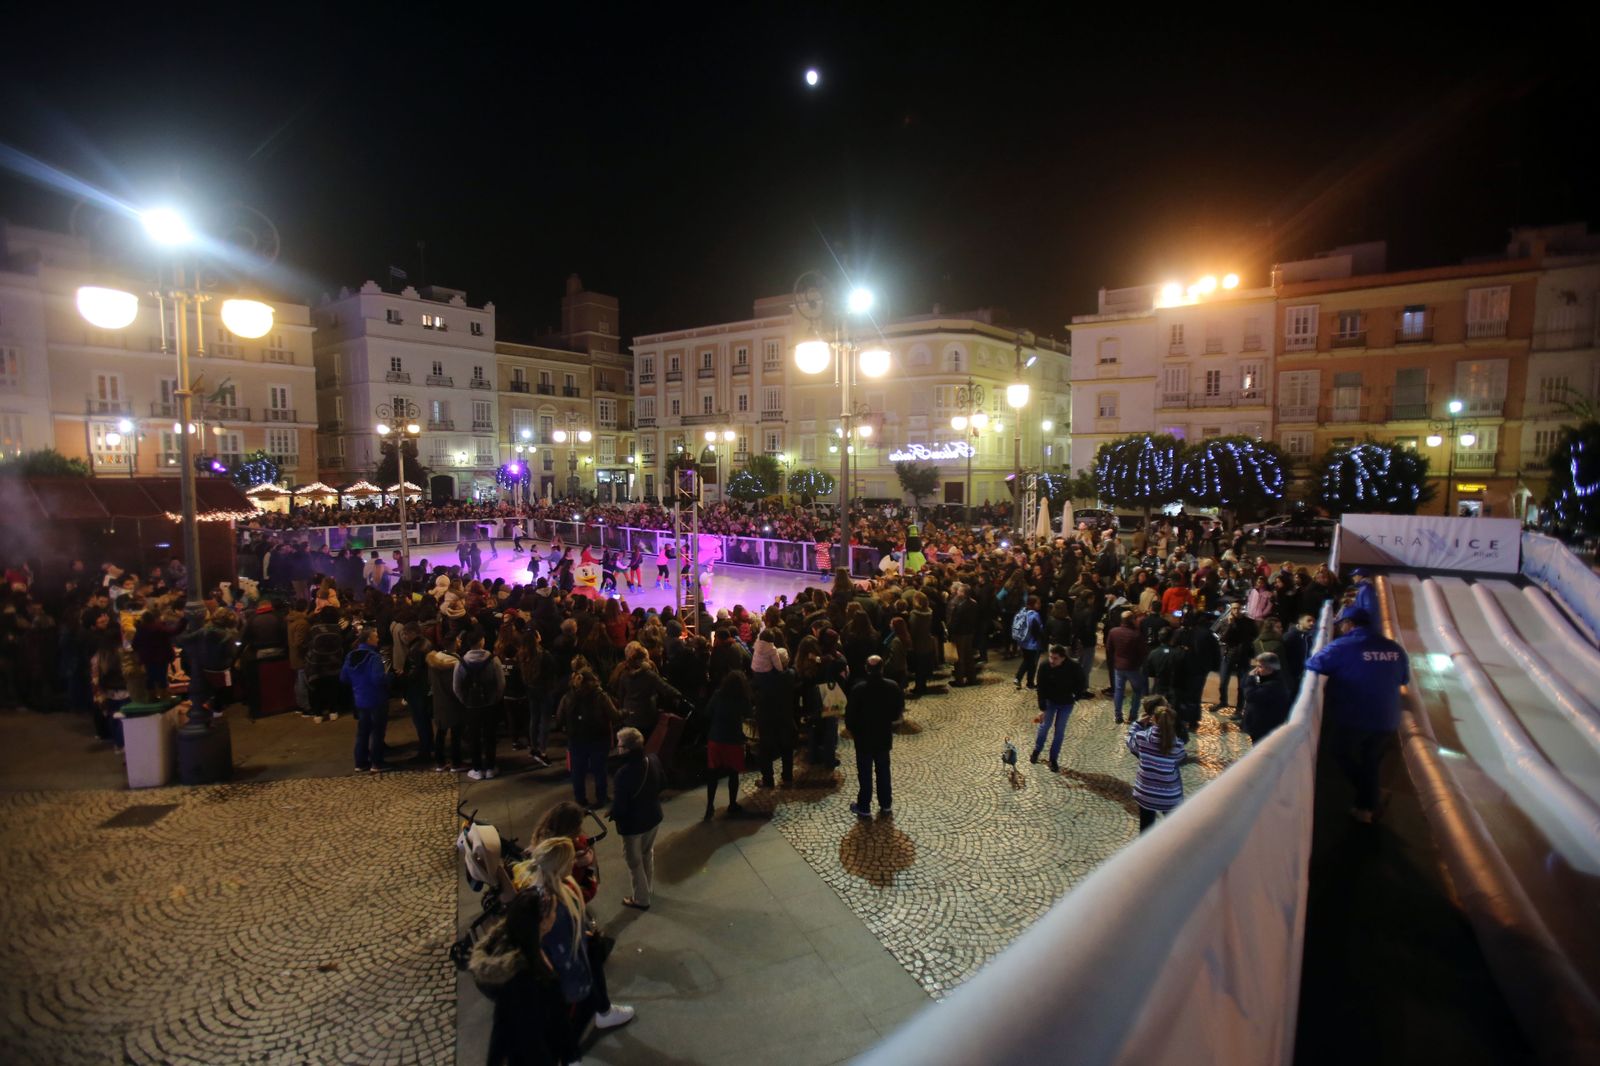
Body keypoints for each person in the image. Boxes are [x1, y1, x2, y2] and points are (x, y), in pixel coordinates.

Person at [519, 838, 635, 1056]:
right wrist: (579, 984)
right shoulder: (556, 909)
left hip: (576, 962)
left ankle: (600, 1017)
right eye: (571, 859)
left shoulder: (552, 888)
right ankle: (570, 1057)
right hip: (570, 978)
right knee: (573, 1020)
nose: (575, 861)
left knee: (576, 1015)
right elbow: (563, 952)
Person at [1306, 606, 1410, 823]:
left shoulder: (1343, 645)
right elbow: (1403, 679)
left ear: (1348, 624)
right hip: (1387, 718)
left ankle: (1370, 800)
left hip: (1355, 716)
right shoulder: (1394, 648)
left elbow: (1314, 663)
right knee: (1370, 762)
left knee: (1340, 752)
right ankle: (1366, 807)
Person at [609, 727, 663, 911]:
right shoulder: (653, 760)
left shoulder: (623, 773)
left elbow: (621, 805)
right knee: (648, 853)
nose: (617, 748)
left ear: (627, 749)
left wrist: (613, 813)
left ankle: (641, 899)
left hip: (633, 824)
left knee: (634, 861)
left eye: (620, 745)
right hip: (653, 816)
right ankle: (648, 888)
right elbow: (662, 783)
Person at [845, 655, 903, 817]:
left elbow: (850, 716)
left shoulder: (858, 689)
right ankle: (886, 803)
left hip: (863, 737)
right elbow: (896, 712)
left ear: (866, 669)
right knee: (883, 770)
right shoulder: (892, 687)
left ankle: (864, 805)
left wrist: (852, 729)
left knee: (864, 773)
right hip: (883, 735)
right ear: (882, 668)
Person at [559, 666, 620, 808]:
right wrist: (624, 713)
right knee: (599, 769)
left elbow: (560, 718)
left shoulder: (568, 696)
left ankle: (580, 799)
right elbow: (614, 715)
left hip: (576, 738)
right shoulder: (600, 696)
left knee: (578, 771)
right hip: (599, 737)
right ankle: (601, 797)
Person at [454, 630, 507, 781]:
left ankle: (477, 768)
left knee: (474, 736)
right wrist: (495, 699)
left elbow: (456, 686)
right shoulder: (492, 660)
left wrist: (465, 700)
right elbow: (501, 683)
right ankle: (490, 767)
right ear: (482, 641)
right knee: (490, 735)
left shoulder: (461, 662)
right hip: (489, 704)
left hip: (471, 706)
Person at [1127, 696, 1184, 832]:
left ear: (1152, 718)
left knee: (1145, 828)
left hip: (1145, 794)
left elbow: (1130, 741)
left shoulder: (1141, 738)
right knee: (1173, 827)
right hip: (1169, 797)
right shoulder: (1177, 745)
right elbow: (1180, 758)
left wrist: (1137, 725)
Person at [340, 626, 390, 774]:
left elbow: (343, 677)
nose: (378, 639)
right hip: (376, 699)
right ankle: (376, 762)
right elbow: (378, 679)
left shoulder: (351, 656)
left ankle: (360, 762)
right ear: (369, 639)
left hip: (360, 700)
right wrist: (390, 677)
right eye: (376, 637)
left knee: (363, 732)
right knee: (377, 732)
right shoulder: (374, 657)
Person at [1031, 643, 1088, 772]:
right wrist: (1042, 704)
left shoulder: (1073, 667)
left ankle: (1053, 759)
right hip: (1051, 701)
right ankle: (1037, 750)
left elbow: (1082, 682)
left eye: (1055, 658)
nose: (1052, 660)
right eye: (1051, 657)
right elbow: (1041, 686)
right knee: (1044, 727)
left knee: (1059, 731)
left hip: (1066, 703)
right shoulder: (1045, 666)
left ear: (1063, 658)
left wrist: (1077, 696)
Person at [703, 670, 751, 820]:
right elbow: (748, 714)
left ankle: (710, 805)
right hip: (733, 740)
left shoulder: (718, 695)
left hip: (716, 739)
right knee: (733, 773)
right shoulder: (742, 699)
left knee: (712, 774)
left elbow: (707, 712)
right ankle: (732, 804)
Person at [752, 643, 798, 787]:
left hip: (767, 717)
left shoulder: (764, 677)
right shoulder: (790, 675)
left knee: (766, 749)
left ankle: (768, 779)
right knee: (787, 747)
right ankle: (788, 776)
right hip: (785, 716)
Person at [427, 643, 466, 771]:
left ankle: (440, 762)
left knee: (441, 732)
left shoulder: (434, 661)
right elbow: (457, 686)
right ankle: (456, 762)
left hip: (439, 702)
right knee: (456, 734)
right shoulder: (454, 663)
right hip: (453, 703)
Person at [1105, 610, 1148, 725]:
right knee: (1137, 691)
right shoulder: (1137, 635)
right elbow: (1143, 652)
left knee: (1119, 690)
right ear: (1132, 620)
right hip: (1133, 667)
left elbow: (1109, 648)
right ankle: (1132, 716)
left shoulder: (1113, 632)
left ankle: (1118, 715)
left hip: (1118, 666)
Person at [1241, 652, 1291, 743]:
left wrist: (1251, 678)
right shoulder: (1266, 677)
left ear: (1270, 668)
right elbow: (1243, 685)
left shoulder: (1275, 685)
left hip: (1264, 726)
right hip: (1260, 724)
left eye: (1260, 666)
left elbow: (1250, 696)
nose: (1257, 669)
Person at [1012, 595, 1045, 691]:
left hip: (1022, 643)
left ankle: (1018, 678)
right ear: (1033, 604)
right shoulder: (1035, 615)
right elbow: (1038, 632)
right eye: (1038, 603)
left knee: (1026, 661)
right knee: (1032, 664)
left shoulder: (1023, 611)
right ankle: (1030, 683)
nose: (1040, 605)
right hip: (1033, 645)